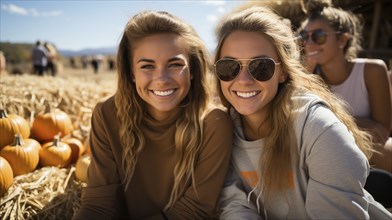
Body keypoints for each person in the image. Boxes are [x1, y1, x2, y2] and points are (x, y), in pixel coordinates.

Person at [213, 6, 392, 219]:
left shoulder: (318, 127)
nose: (243, 80)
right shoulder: (222, 130)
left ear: (283, 72)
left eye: (261, 66)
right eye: (229, 66)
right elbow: (234, 204)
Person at [73, 10, 232, 220]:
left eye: (175, 64)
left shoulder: (215, 123)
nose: (161, 79)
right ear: (131, 72)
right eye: (147, 66)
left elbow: (192, 211)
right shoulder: (107, 114)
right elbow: (98, 204)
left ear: (192, 69)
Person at [300, 0, 392, 208]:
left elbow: (382, 132)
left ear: (342, 40)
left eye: (318, 36)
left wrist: (336, 120)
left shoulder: (372, 71)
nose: (309, 43)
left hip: (369, 150)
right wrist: (359, 121)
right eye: (304, 37)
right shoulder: (308, 78)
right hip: (325, 149)